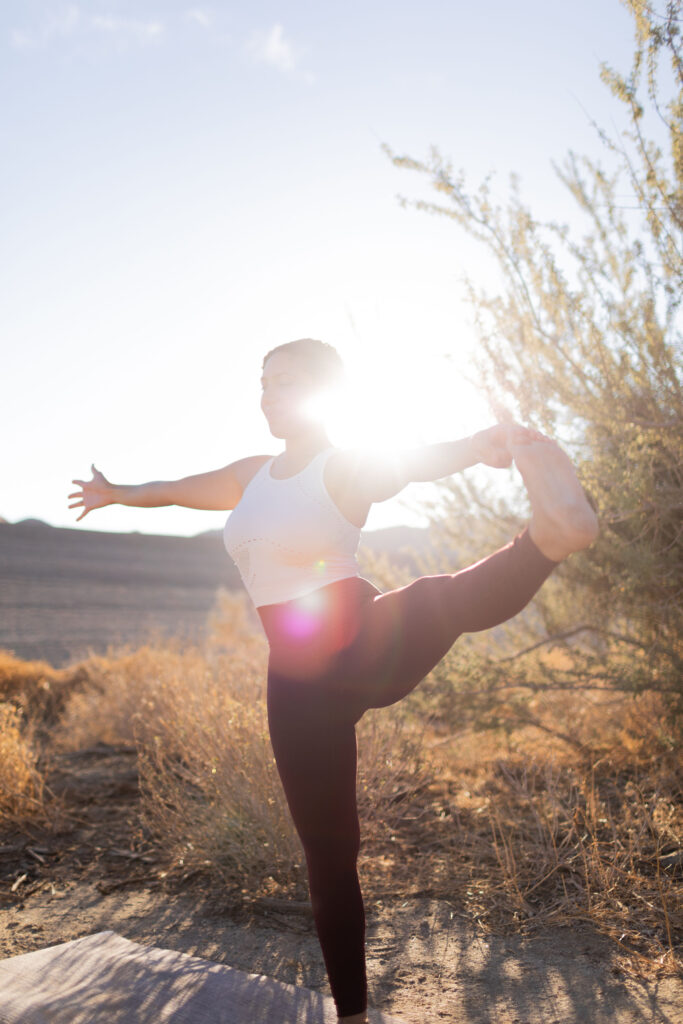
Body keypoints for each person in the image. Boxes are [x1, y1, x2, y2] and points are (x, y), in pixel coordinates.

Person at [69, 338, 598, 1023]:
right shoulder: (250, 474)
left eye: (285, 381)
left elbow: (407, 462)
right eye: (263, 382)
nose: (267, 393)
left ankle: (547, 538)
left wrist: (478, 443)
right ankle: (351, 1014)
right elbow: (173, 493)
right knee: (328, 852)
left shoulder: (340, 468)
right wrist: (118, 494)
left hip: (356, 637)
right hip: (294, 682)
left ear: (322, 392)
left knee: (437, 599)